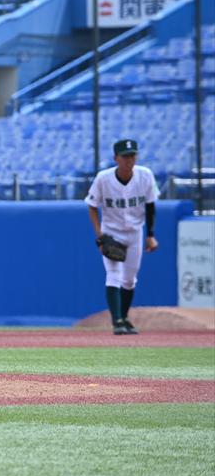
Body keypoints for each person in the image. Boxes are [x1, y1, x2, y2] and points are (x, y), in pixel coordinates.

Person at [85, 138, 159, 335]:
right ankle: (117, 321)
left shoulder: (145, 175)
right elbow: (91, 206)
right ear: (116, 158)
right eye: (125, 156)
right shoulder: (103, 178)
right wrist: (100, 235)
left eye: (132, 155)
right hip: (112, 232)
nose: (129, 160)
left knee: (129, 280)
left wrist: (151, 235)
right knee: (113, 275)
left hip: (135, 232)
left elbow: (150, 206)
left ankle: (124, 317)